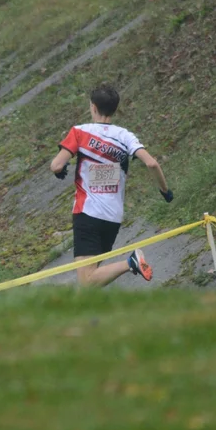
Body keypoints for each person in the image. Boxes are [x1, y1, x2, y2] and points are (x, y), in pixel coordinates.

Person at [50, 83, 173, 287]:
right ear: (114, 109)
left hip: (87, 213)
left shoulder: (80, 132)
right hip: (113, 217)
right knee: (92, 277)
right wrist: (165, 191)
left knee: (87, 280)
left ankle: (130, 262)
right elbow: (151, 163)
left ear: (93, 107)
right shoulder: (125, 136)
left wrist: (59, 169)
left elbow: (56, 165)